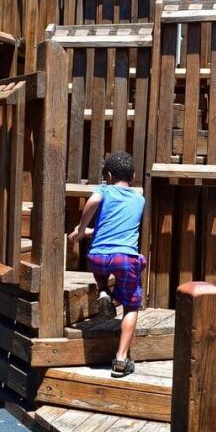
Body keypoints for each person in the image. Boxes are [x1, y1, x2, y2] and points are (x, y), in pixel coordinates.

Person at [68, 152, 146, 378]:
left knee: (101, 270)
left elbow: (93, 202)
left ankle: (103, 290)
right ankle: (121, 359)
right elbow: (120, 226)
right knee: (131, 306)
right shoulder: (139, 199)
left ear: (108, 176)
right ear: (132, 176)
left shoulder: (104, 189)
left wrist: (82, 230)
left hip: (98, 257)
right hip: (126, 258)